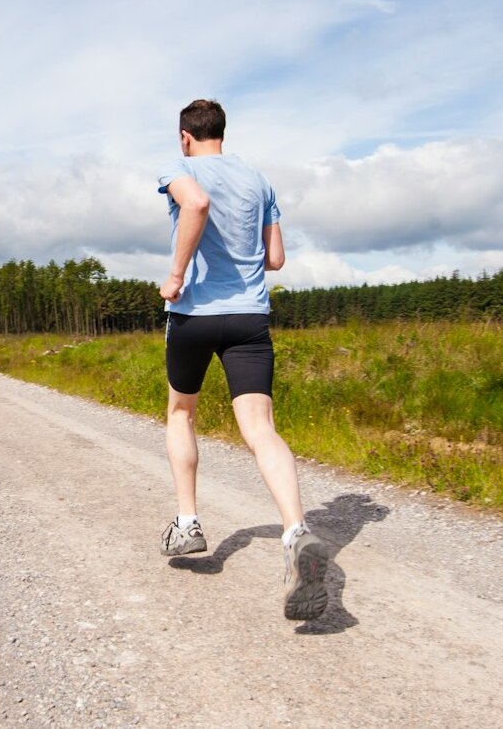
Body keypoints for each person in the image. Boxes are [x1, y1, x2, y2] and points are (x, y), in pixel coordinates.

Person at [156, 98, 329, 620]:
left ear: (185, 136)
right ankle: (296, 531)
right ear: (221, 133)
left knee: (181, 412)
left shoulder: (179, 169)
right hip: (250, 317)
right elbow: (275, 258)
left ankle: (188, 524)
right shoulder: (258, 180)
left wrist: (177, 274)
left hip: (193, 316)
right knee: (260, 428)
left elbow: (197, 205)